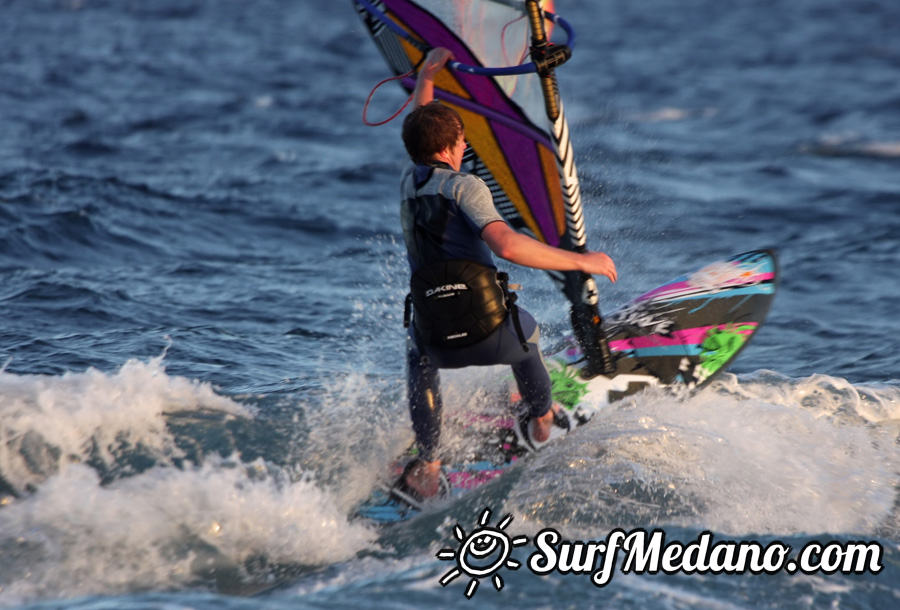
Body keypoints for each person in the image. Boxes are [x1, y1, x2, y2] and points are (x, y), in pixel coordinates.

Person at [395, 48, 617, 502]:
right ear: (453, 146)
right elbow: (508, 245)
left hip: (436, 341)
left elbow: (423, 128)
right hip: (490, 337)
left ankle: (429, 464)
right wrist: (582, 260)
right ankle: (540, 420)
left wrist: (427, 77)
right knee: (527, 338)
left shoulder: (408, 184)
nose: (464, 148)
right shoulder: (465, 186)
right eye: (461, 141)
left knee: (417, 355)